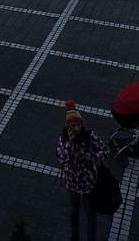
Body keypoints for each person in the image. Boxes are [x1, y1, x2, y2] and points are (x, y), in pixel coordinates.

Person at [56, 100, 107, 241]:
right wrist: (70, 145)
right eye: (73, 125)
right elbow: (61, 157)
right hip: (72, 181)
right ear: (68, 125)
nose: (77, 128)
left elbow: (103, 150)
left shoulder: (89, 136)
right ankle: (75, 236)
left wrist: (91, 157)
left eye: (79, 124)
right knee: (74, 211)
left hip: (87, 181)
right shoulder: (64, 139)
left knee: (90, 213)